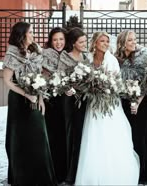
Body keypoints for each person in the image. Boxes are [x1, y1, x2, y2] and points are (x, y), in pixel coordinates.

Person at [75, 31, 140, 185]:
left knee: (110, 134)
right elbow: (82, 79)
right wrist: (90, 87)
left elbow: (116, 82)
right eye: (102, 41)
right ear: (95, 43)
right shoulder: (88, 59)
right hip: (93, 103)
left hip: (109, 102)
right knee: (93, 135)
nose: (105, 44)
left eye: (107, 41)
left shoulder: (111, 59)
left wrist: (104, 88)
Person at [3, 21, 56, 185]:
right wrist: (26, 94)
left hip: (35, 97)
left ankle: (42, 177)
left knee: (39, 136)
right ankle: (22, 178)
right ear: (22, 35)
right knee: (20, 139)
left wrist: (40, 98)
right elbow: (7, 81)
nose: (33, 35)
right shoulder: (11, 55)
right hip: (19, 101)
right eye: (30, 32)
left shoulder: (36, 51)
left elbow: (40, 77)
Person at [115, 30, 147, 184]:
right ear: (123, 42)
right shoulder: (116, 58)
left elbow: (146, 81)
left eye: (135, 39)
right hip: (122, 101)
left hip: (141, 102)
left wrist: (137, 101)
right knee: (125, 137)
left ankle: (142, 173)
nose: (134, 42)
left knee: (140, 137)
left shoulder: (144, 56)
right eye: (130, 40)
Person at [62, 27, 88, 185]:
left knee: (82, 135)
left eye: (85, 41)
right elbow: (60, 78)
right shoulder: (65, 57)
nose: (85, 44)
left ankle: (80, 171)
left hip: (84, 100)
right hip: (70, 101)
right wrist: (67, 88)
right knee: (72, 135)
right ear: (73, 43)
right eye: (81, 42)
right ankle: (70, 174)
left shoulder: (85, 57)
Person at [42, 27, 68, 184]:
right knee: (53, 136)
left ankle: (64, 172)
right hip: (51, 100)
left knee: (64, 136)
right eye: (55, 40)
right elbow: (42, 78)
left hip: (66, 100)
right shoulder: (44, 56)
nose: (58, 43)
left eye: (61, 39)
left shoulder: (68, 56)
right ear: (51, 42)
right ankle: (53, 173)